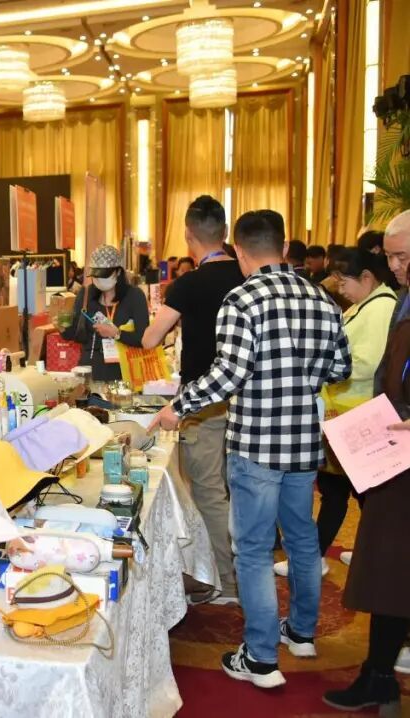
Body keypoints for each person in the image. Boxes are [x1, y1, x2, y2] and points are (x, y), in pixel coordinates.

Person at [151, 210, 351, 689]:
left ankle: (261, 657)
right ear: (282, 246)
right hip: (302, 443)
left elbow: (230, 374)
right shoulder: (321, 298)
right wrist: (300, 379)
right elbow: (340, 368)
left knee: (254, 550)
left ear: (239, 250)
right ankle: (301, 632)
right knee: (301, 539)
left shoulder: (242, 298)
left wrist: (179, 406)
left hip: (257, 443)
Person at [323, 210, 410, 713]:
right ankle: (378, 673)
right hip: (392, 449)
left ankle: (380, 674)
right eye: (391, 257)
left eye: (401, 257)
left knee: (392, 570)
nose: (393, 266)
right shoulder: (402, 302)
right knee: (389, 572)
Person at [142, 195, 244, 605]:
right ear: (225, 232)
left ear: (189, 236)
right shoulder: (246, 274)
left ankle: (227, 583)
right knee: (239, 490)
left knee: (208, 491)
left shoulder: (188, 284)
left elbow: (151, 338)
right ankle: (240, 572)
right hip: (247, 398)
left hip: (202, 400)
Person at [272, 248, 397, 579]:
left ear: (366, 278)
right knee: (342, 491)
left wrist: (323, 363)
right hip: (346, 414)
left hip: (359, 416)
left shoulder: (381, 307)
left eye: (344, 282)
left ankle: (358, 557)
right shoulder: (365, 305)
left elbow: (366, 363)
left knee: (357, 493)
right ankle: (344, 555)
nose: (340, 289)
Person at [57, 245, 149, 383]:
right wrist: (62, 326)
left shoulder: (134, 296)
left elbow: (144, 339)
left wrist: (116, 333)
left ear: (118, 272)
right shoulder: (85, 295)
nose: (99, 279)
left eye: (104, 275)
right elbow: (74, 334)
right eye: (96, 275)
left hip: (125, 371)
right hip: (90, 370)